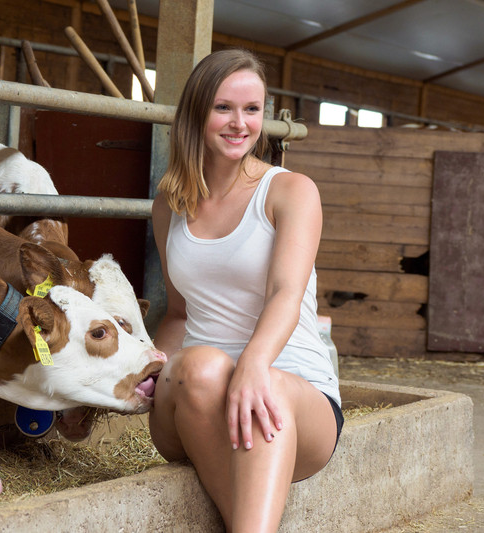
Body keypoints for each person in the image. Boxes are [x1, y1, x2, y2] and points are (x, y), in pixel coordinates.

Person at [148, 48, 343, 533]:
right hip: (197, 401)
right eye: (223, 108)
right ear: (196, 112)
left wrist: (255, 366)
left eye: (251, 110)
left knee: (265, 387)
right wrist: (148, 366)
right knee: (200, 365)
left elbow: (285, 292)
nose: (240, 123)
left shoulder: (291, 191)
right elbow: (178, 313)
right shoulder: (170, 204)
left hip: (294, 397)